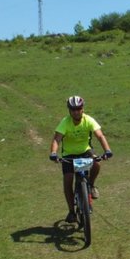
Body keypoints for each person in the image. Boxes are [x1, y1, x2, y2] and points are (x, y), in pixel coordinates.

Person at [49, 95, 113, 223]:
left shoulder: (88, 120)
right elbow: (57, 139)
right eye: (73, 109)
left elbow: (100, 136)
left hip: (85, 151)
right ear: (69, 110)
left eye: (78, 109)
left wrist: (107, 150)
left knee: (97, 163)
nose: (76, 112)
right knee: (68, 181)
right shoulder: (65, 122)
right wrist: (53, 153)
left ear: (82, 108)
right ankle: (71, 212)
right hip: (68, 155)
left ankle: (91, 185)